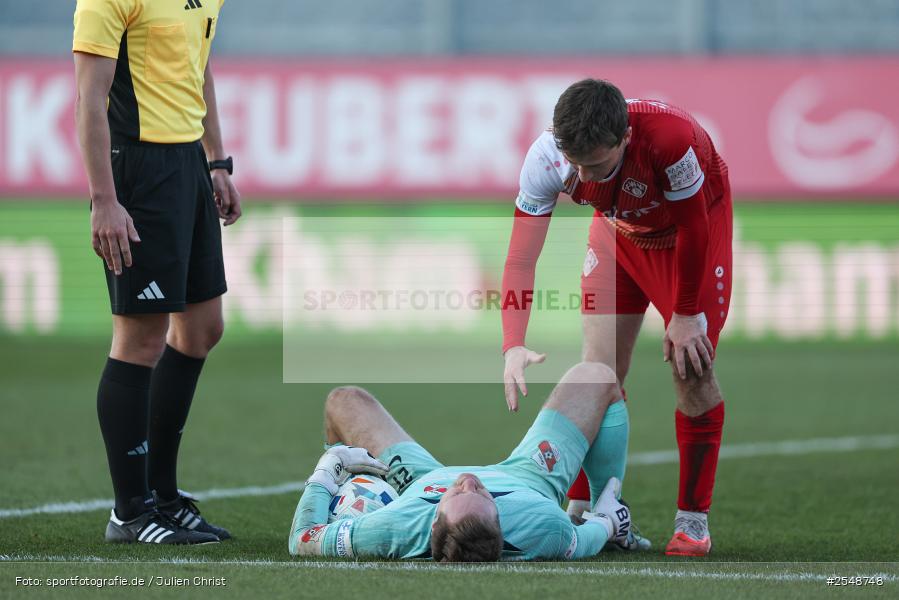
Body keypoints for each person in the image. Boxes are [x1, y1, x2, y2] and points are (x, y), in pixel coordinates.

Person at [501, 79, 732, 556]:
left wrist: (686, 313)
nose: (584, 176)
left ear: (625, 137)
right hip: (619, 236)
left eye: (598, 165)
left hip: (688, 237)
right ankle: (594, 511)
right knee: (597, 374)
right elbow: (521, 259)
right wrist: (513, 342)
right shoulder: (546, 158)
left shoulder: (672, 140)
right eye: (577, 164)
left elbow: (692, 226)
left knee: (692, 369)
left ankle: (692, 522)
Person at [73, 0, 242, 544]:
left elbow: (200, 65)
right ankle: (130, 511)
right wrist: (104, 199)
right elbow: (89, 98)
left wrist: (215, 160)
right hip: (137, 169)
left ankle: (163, 496)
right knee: (140, 338)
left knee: (201, 329)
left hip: (187, 162)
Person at [289, 362, 636, 561]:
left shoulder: (394, 528)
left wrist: (330, 468)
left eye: (458, 494)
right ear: (501, 520)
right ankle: (608, 520)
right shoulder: (545, 528)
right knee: (598, 376)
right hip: (528, 478)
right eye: (483, 494)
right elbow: (587, 539)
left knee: (343, 401)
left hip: (417, 482)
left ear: (433, 523)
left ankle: (346, 495)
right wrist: (607, 520)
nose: (469, 479)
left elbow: (302, 538)